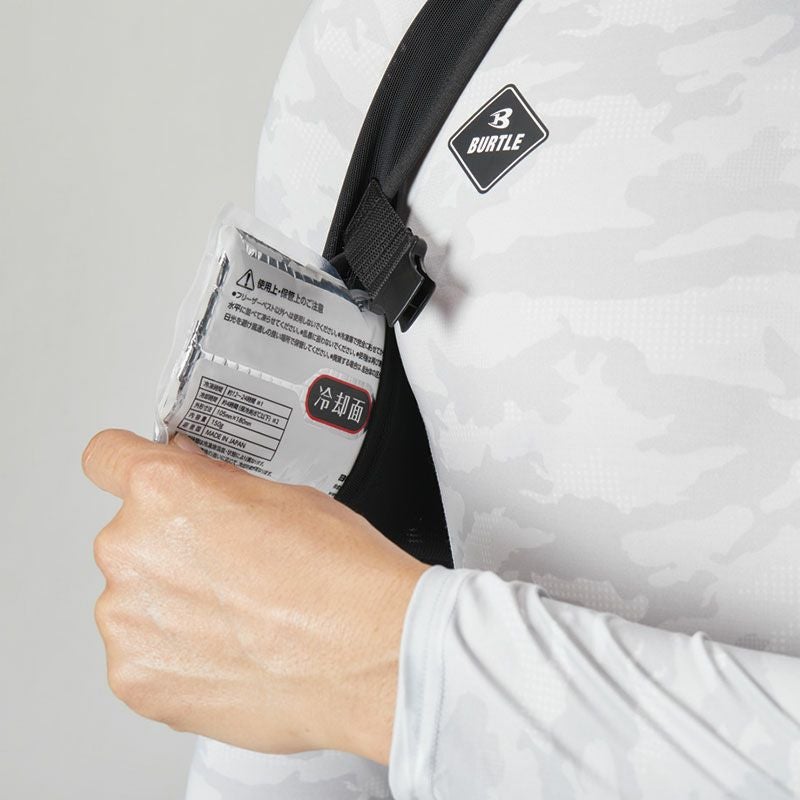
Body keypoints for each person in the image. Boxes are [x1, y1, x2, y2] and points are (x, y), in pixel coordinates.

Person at [83, 1, 800, 797]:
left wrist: (394, 667)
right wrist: (339, 658)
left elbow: (316, 651)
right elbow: (277, 689)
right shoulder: (391, 43)